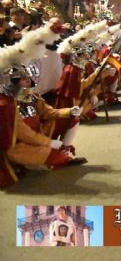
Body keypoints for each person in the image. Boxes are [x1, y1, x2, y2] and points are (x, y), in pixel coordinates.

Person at [0, 24, 87, 187]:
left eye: (27, 78)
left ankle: (63, 151)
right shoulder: (8, 104)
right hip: (21, 145)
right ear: (13, 81)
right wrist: (48, 143)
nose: (28, 81)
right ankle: (43, 159)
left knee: (72, 119)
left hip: (38, 134)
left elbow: (48, 113)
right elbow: (24, 134)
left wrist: (69, 111)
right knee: (55, 157)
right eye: (23, 79)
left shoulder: (32, 96)